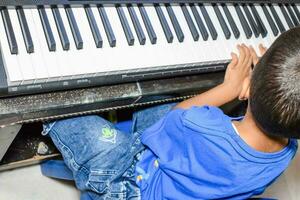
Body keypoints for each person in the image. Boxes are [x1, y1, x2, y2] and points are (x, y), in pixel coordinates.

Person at [42, 28, 300, 200]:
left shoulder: (202, 125)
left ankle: (79, 170)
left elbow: (175, 117)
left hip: (131, 185)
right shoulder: (288, 151)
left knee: (65, 108)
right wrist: (263, 85)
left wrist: (229, 88)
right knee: (157, 103)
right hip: (182, 172)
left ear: (249, 88)